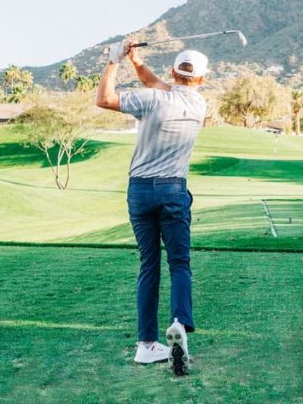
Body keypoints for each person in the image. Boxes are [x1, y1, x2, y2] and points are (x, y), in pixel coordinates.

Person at [96, 40, 207, 377]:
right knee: (179, 263)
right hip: (174, 191)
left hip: (140, 192)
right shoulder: (199, 103)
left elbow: (104, 99)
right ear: (201, 79)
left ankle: (146, 345)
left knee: (149, 264)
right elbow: (155, 83)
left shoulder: (154, 98)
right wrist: (136, 60)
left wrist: (114, 61)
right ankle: (178, 324)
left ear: (173, 71)